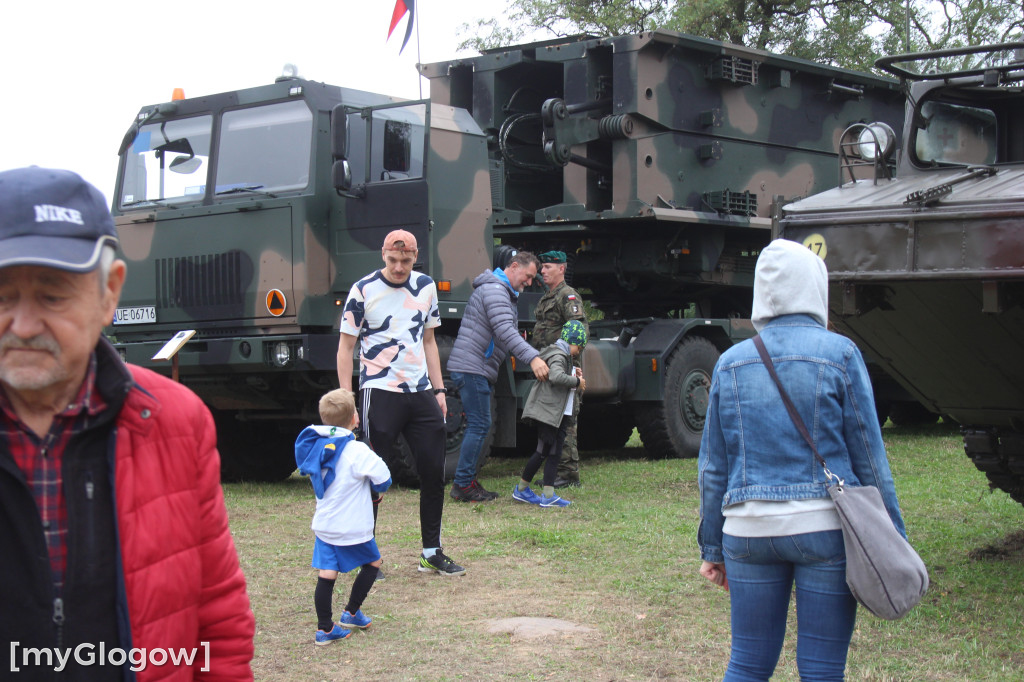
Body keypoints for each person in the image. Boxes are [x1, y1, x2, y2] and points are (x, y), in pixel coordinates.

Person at [0, 167, 254, 679]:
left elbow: (216, 617)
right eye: (2, 296)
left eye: (51, 295)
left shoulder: (176, 422)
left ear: (110, 293)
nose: (23, 325)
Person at [697, 238, 908, 681]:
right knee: (822, 668)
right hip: (824, 529)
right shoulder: (841, 354)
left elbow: (714, 468)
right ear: (816, 286)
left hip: (747, 533)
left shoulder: (730, 363)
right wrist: (893, 536)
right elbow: (870, 459)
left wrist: (712, 548)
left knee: (747, 665)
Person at [336, 229, 465, 576]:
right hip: (378, 391)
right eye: (393, 260)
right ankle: (367, 555)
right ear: (383, 255)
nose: (398, 267)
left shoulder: (425, 287)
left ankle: (431, 551)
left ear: (415, 257)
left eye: (405, 261)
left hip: (420, 391)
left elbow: (430, 342)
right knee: (372, 475)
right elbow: (346, 348)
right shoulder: (363, 290)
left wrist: (439, 391)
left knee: (433, 473)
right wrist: (347, 398)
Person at [446, 250, 549, 502]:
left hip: (474, 367)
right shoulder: (495, 291)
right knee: (480, 425)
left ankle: (466, 481)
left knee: (480, 424)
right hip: (473, 367)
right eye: (527, 276)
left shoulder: (499, 290)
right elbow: (505, 331)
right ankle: (462, 485)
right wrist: (533, 357)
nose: (528, 282)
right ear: (513, 266)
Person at [295, 388, 392, 645]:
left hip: (325, 525)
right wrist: (376, 492)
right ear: (355, 419)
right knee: (373, 563)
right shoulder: (357, 450)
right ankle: (351, 612)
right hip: (353, 526)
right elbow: (384, 478)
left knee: (327, 573)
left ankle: (325, 629)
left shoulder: (317, 445)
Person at [513, 320, 587, 508]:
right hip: (549, 414)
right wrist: (577, 382)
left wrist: (573, 373)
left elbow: (559, 373)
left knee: (545, 452)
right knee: (549, 452)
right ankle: (546, 495)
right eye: (579, 346)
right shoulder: (559, 355)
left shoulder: (560, 354)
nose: (579, 351)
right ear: (572, 342)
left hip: (555, 413)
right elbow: (555, 376)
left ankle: (523, 490)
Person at [530, 250, 589, 489]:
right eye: (542, 267)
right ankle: (556, 470)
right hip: (548, 364)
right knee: (551, 418)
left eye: (547, 267)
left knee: (566, 420)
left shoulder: (568, 296)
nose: (542, 271)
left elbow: (580, 332)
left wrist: (569, 364)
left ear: (561, 269)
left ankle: (568, 473)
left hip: (562, 366)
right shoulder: (548, 297)